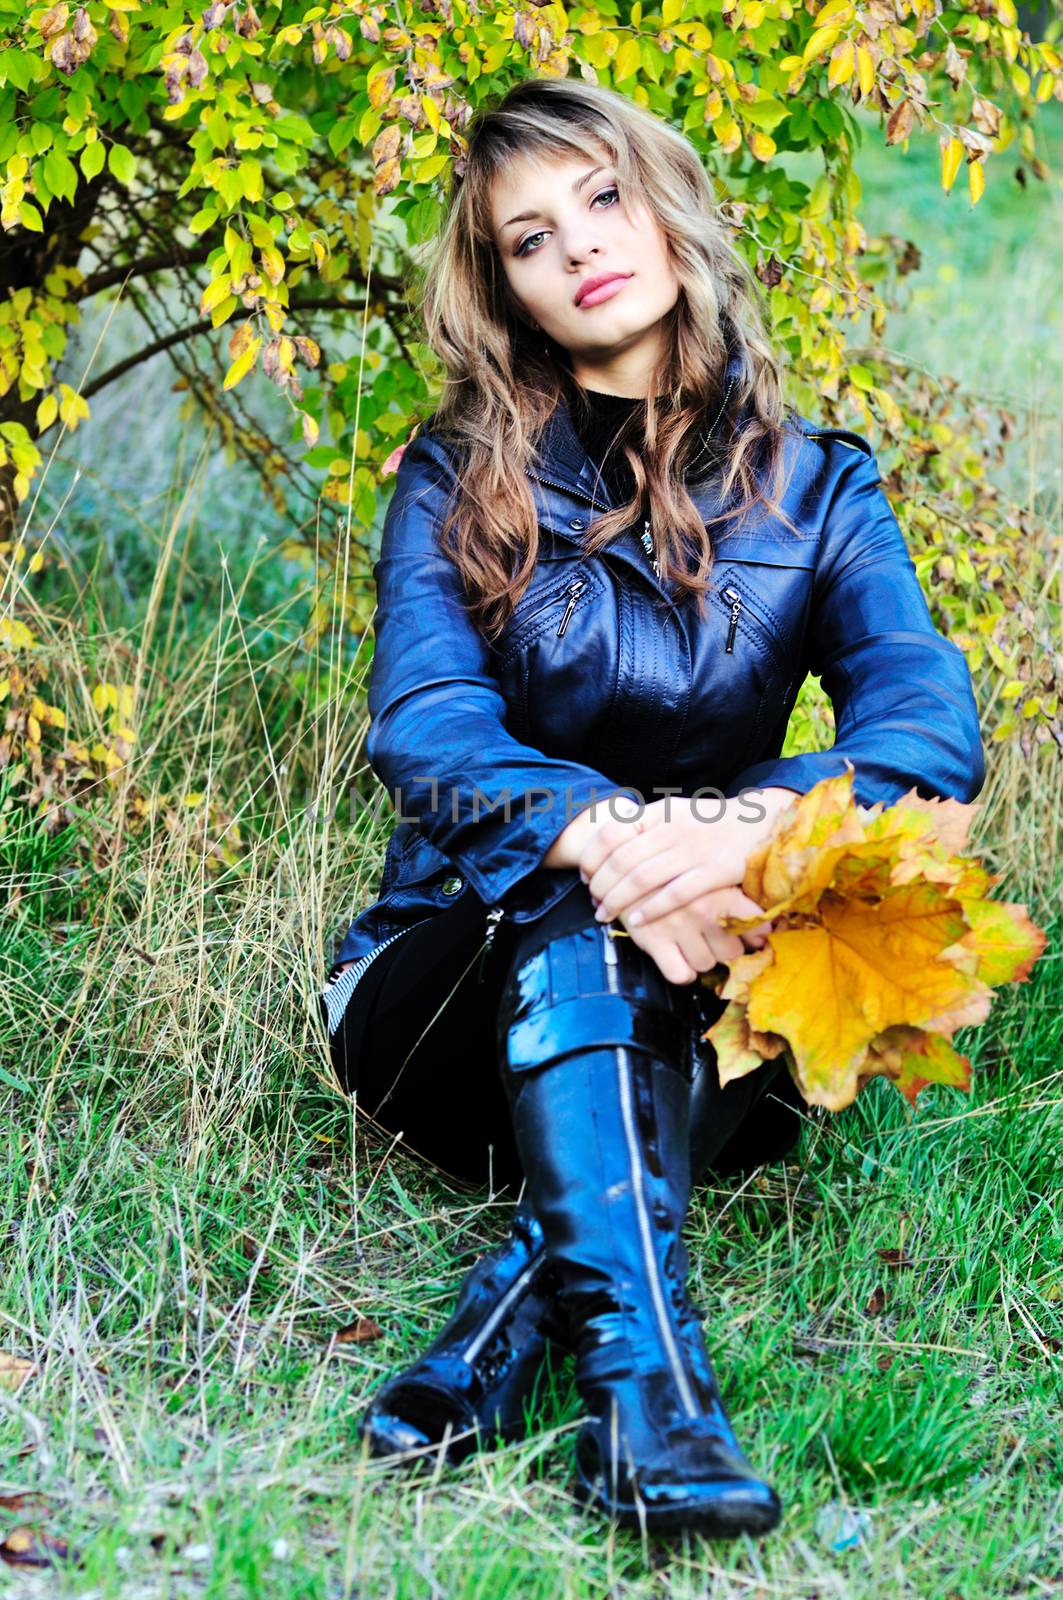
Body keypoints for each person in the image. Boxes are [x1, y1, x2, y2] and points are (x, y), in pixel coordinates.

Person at [317, 77, 985, 1537]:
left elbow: (927, 725)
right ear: (507, 291)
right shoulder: (453, 478)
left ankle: (505, 1357)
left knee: (652, 921)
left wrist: (735, 833)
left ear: (668, 205)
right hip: (443, 988)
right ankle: (651, 1404)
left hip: (726, 1002)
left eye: (603, 200)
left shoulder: (822, 489)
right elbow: (426, 725)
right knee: (581, 896)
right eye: (530, 238)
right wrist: (614, 839)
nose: (581, 251)